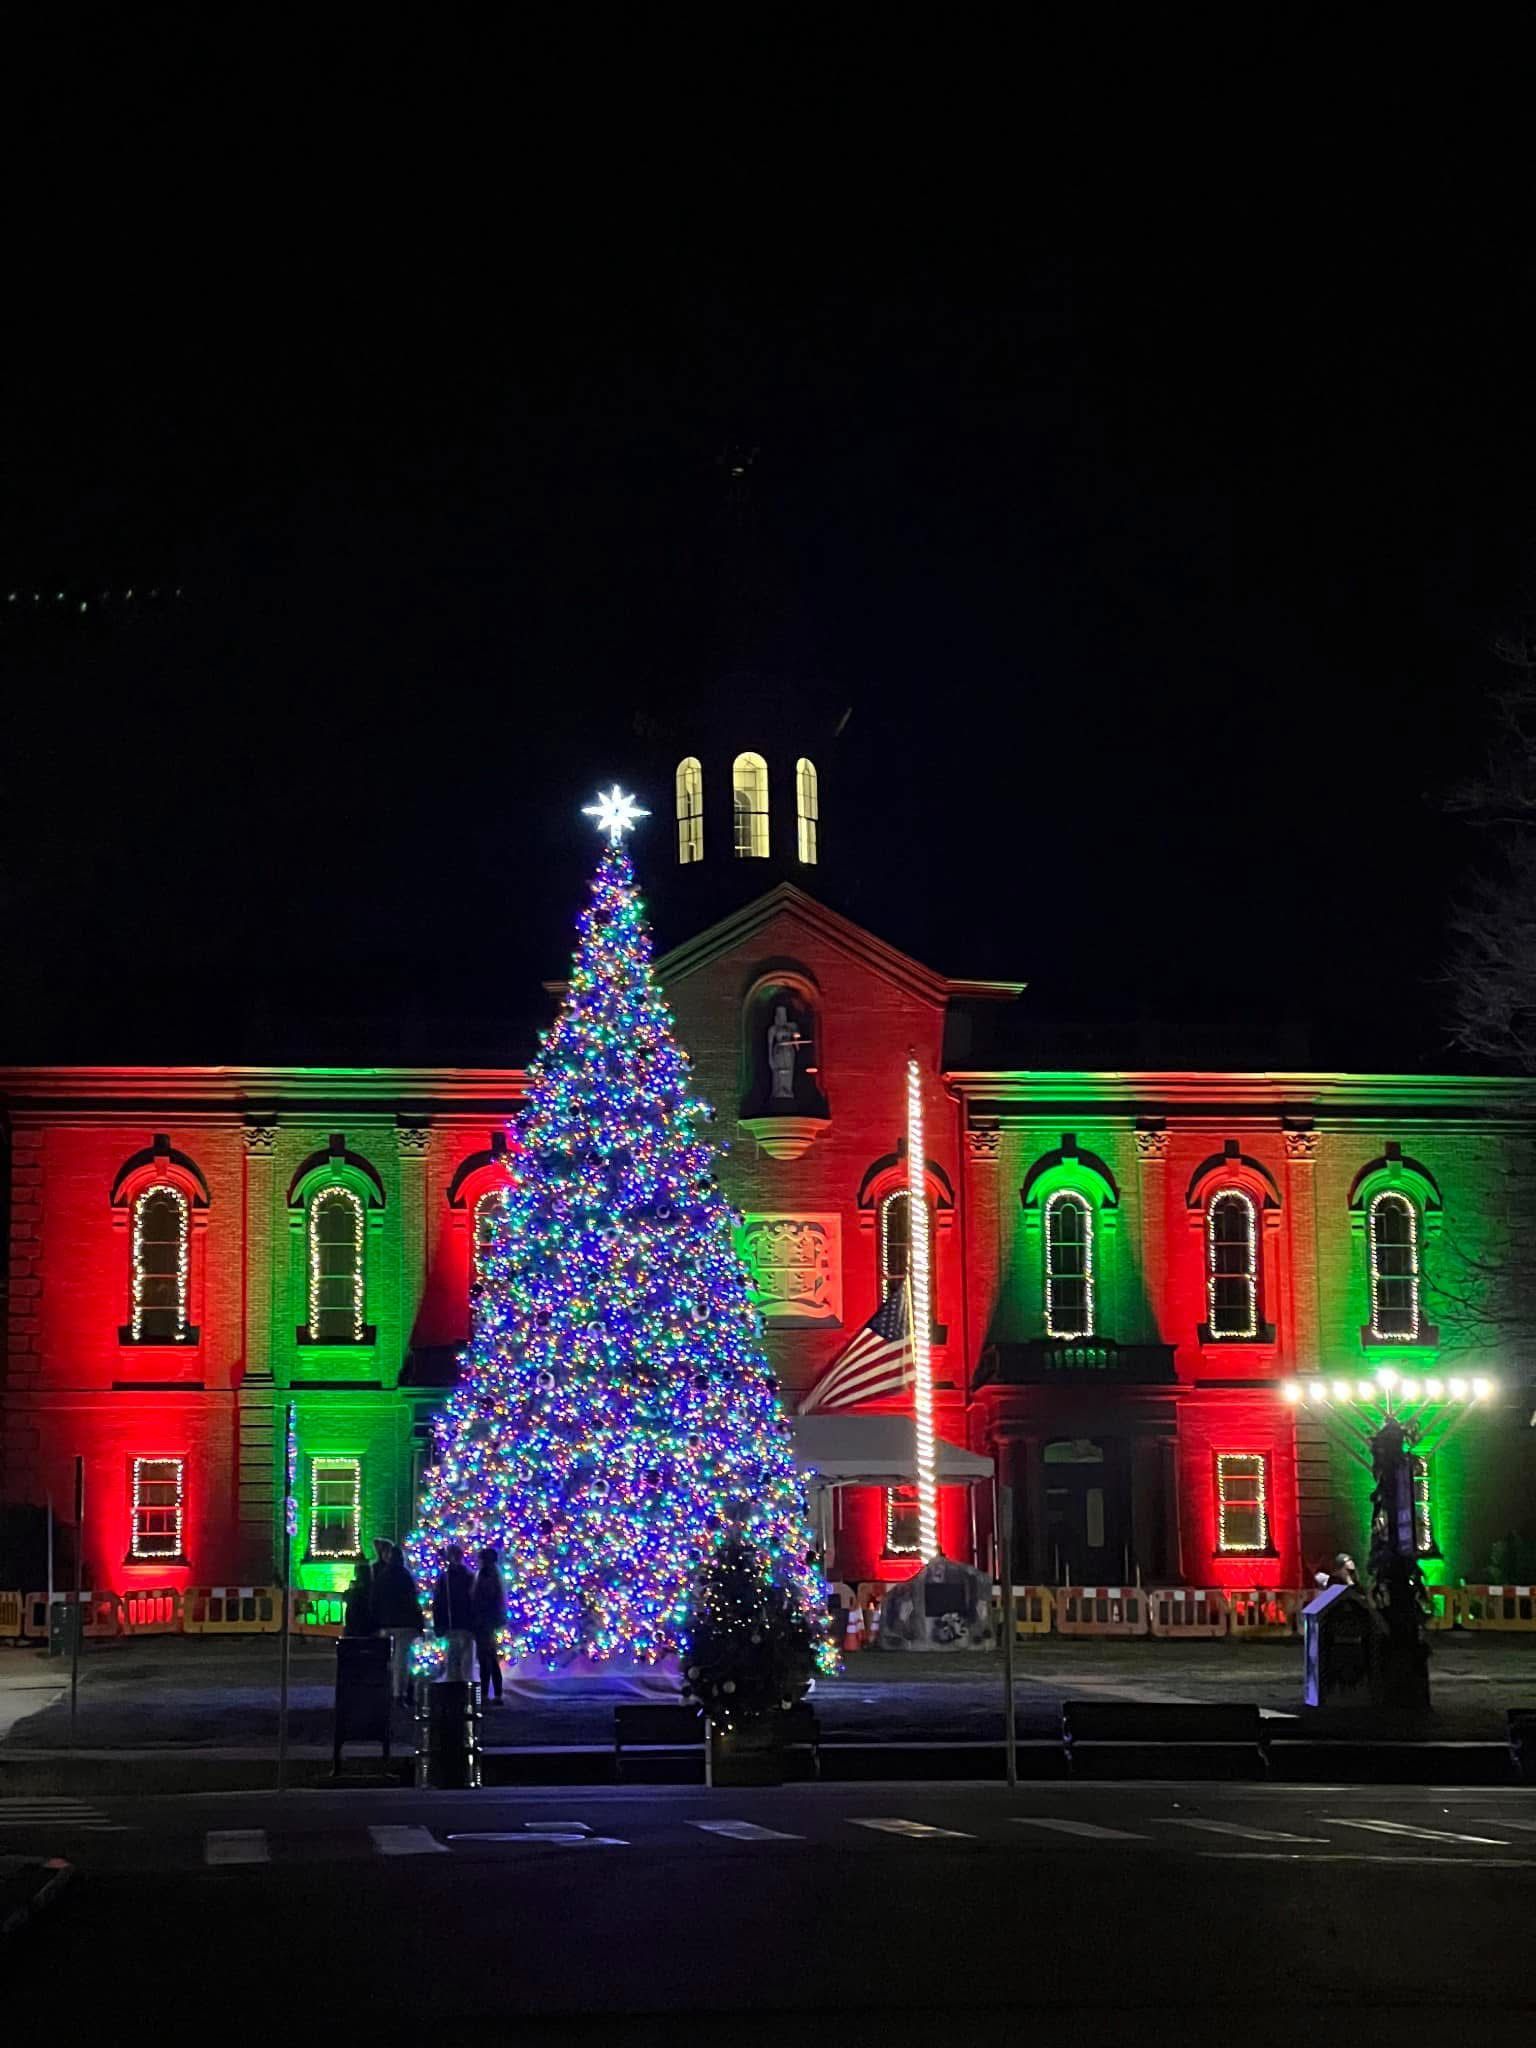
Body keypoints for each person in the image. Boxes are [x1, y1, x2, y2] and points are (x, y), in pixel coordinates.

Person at [371, 1537, 424, 1702]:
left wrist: (377, 1620)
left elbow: (375, 1599)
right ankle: (400, 1693)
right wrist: (418, 1623)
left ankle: (390, 1690)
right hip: (405, 1624)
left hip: (387, 1622)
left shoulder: (383, 1575)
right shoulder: (406, 1576)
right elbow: (412, 1601)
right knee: (402, 1659)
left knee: (390, 1658)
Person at [433, 1543, 477, 1683]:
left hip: (458, 1624)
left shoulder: (448, 1577)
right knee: (461, 1659)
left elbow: (439, 1602)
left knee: (457, 1658)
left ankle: (459, 1688)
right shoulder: (465, 1576)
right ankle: (460, 1687)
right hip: (459, 1624)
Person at [471, 1546, 506, 1704]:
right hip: (488, 1622)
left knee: (486, 1658)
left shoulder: (485, 1577)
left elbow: (481, 1599)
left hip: (484, 1622)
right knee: (489, 1658)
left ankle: (487, 1694)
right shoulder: (494, 1576)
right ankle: (494, 1693)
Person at [342, 1556, 375, 1637]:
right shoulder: (373, 1589)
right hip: (369, 1629)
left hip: (354, 1629)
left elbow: (346, 1597)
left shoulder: (355, 1591)